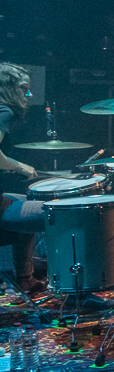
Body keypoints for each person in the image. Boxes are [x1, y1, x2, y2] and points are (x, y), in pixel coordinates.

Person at [0, 63, 43, 294]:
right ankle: (76, 286)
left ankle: (24, 278)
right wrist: (19, 166)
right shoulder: (4, 110)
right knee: (58, 214)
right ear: (7, 88)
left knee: (24, 198)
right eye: (23, 88)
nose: (28, 94)